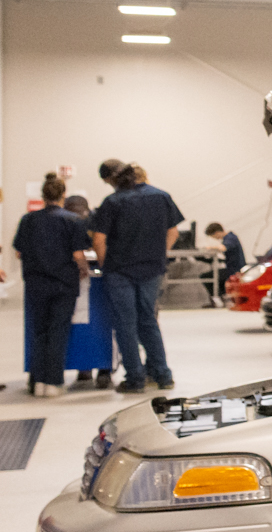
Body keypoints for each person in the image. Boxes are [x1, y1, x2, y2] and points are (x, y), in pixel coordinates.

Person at [90, 161, 184, 393]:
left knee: (125, 325)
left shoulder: (112, 202)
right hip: (152, 270)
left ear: (111, 180)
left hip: (120, 272)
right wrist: (157, 255)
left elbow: (98, 240)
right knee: (148, 321)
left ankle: (135, 378)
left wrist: (105, 267)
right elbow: (173, 232)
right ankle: (163, 375)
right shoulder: (161, 196)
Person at [15, 173, 92, 396]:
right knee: (58, 332)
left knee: (39, 332)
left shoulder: (27, 220)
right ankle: (53, 382)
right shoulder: (73, 221)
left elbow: (20, 251)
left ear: (42, 195)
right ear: (63, 195)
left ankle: (36, 382)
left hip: (36, 283)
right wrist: (84, 270)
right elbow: (78, 254)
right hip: (63, 284)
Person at [61, 194, 112, 387]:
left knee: (86, 327)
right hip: (98, 282)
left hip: (77, 282)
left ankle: (89, 369)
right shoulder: (89, 221)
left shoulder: (68, 222)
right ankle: (98, 369)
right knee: (99, 325)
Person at [201, 222, 245, 304]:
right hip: (231, 268)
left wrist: (209, 248)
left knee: (206, 276)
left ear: (217, 233)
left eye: (213, 237)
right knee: (214, 275)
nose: (215, 239)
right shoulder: (228, 238)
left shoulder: (231, 238)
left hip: (235, 270)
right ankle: (222, 297)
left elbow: (223, 248)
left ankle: (218, 299)